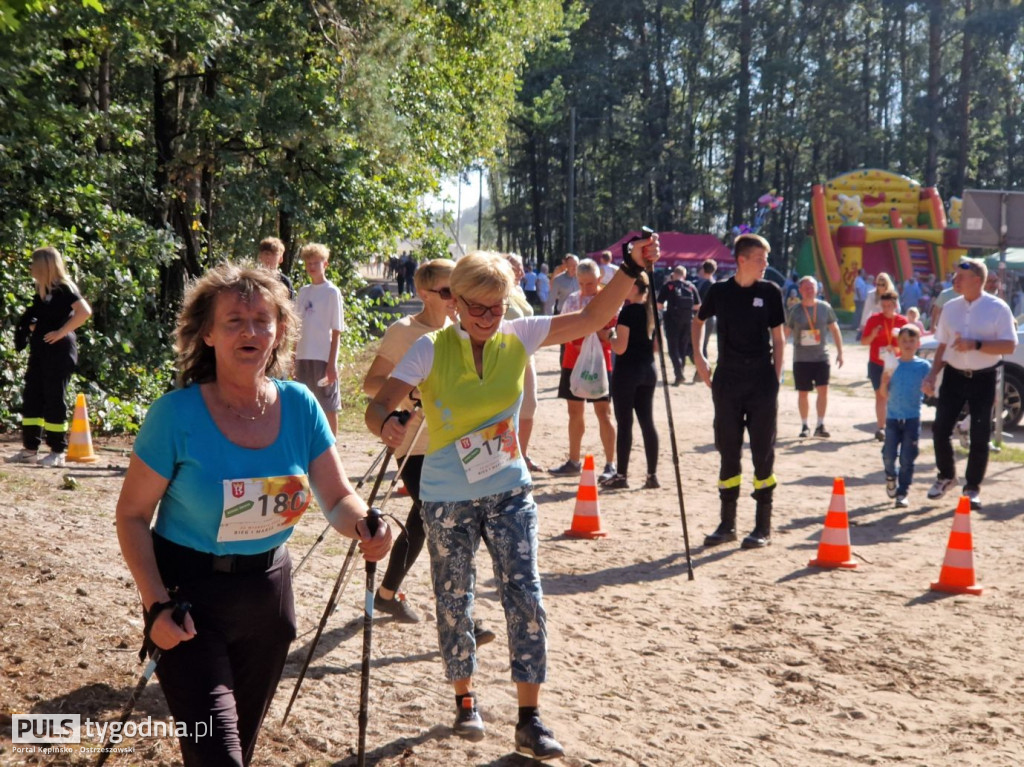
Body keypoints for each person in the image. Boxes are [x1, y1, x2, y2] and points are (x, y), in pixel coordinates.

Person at [365, 240, 659, 759]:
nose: (485, 317)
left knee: (526, 598)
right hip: (445, 495)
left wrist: (632, 267)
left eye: (495, 307)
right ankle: (465, 700)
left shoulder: (518, 336)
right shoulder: (429, 348)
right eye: (475, 307)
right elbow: (378, 404)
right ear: (454, 302)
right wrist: (388, 424)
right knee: (454, 600)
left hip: (507, 489)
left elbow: (593, 315)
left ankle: (530, 718)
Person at [115, 262, 392, 766]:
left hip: (268, 600)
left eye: (261, 320)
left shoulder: (300, 405)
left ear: (280, 331)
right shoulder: (175, 415)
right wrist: (155, 607)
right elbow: (132, 516)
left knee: (235, 747)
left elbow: (337, 495)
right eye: (234, 321)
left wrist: (364, 524)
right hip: (187, 600)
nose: (250, 331)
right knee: (219, 756)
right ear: (208, 334)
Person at [692, 234, 785, 550]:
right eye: (761, 258)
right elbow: (698, 321)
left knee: (762, 453)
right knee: (728, 450)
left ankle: (762, 526)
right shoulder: (719, 291)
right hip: (727, 380)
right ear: (742, 259)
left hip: (761, 380)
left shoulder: (770, 292)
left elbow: (779, 337)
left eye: (766, 259)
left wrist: (775, 377)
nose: (766, 264)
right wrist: (699, 356)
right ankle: (727, 524)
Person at [922, 258, 1017, 510]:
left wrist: (975, 344)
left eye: (960, 275)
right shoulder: (950, 307)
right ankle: (946, 476)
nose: (955, 279)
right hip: (953, 375)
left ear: (977, 280)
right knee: (940, 429)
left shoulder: (998, 308)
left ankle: (972, 487)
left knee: (979, 434)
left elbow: (1009, 345)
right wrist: (932, 375)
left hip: (985, 377)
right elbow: (942, 344)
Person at [5, 247, 92, 468]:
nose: (31, 268)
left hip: (60, 351)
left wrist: (61, 332)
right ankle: (29, 449)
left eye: (34, 263)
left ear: (45, 265)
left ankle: (57, 450)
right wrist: (32, 326)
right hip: (41, 350)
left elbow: (84, 312)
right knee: (33, 395)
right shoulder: (43, 290)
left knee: (54, 397)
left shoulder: (65, 288)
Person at [550, 259, 617, 481]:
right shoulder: (571, 300)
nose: (586, 288)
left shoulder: (608, 300)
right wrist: (589, 330)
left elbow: (611, 335)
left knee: (603, 413)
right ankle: (573, 461)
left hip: (600, 363)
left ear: (599, 279)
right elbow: (564, 329)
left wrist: (591, 331)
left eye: (590, 283)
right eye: (581, 283)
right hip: (572, 361)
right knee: (574, 412)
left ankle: (610, 464)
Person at [602, 272, 659, 489]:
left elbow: (620, 347)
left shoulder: (628, 311)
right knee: (647, 422)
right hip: (648, 369)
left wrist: (609, 336)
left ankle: (622, 475)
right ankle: (652, 475)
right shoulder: (651, 312)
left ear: (635, 287)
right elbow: (656, 347)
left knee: (625, 423)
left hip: (628, 371)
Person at [294, 243, 345, 437]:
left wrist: (331, 364)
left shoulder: (332, 292)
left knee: (328, 405)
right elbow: (297, 326)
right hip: (303, 356)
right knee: (305, 403)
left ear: (326, 264)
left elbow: (336, 331)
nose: (312, 267)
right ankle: (310, 447)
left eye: (316, 262)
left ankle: (332, 448)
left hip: (323, 357)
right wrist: (292, 355)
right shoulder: (303, 292)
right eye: (308, 263)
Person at [784, 276, 844, 438]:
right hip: (801, 359)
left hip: (821, 357)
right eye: (806, 288)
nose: (810, 290)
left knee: (823, 391)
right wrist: (779, 354)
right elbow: (786, 333)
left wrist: (840, 352)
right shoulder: (795, 310)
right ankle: (804, 425)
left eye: (812, 287)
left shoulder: (825, 308)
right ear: (801, 290)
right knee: (803, 393)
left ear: (817, 289)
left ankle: (820, 424)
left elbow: (835, 329)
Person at [880, 326, 931, 508]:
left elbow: (931, 390)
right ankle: (890, 476)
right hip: (893, 417)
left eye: (912, 341)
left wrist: (928, 388)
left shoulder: (923, 366)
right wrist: (884, 382)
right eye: (904, 341)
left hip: (912, 418)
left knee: (908, 457)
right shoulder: (892, 364)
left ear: (918, 343)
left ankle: (902, 492)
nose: (908, 344)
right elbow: (883, 393)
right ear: (898, 343)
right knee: (888, 454)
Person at [504, 254, 544, 472]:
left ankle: (523, 454)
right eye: (515, 267)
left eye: (520, 267)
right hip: (506, 357)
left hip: (527, 356)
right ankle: (507, 458)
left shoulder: (519, 291)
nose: (520, 271)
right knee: (508, 410)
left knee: (530, 405)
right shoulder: (497, 291)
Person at [861, 291, 907, 442]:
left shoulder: (902, 322)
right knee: (880, 396)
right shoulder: (874, 319)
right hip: (877, 363)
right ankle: (881, 428)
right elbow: (864, 342)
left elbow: (911, 345)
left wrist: (898, 348)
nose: (886, 308)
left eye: (889, 306)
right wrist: (873, 334)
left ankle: (895, 427)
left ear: (895, 305)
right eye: (884, 305)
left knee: (895, 396)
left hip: (895, 363)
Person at [657, 265, 700, 386]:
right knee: (682, 348)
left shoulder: (669, 286)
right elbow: (697, 306)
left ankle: (679, 374)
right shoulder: (691, 287)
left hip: (672, 321)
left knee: (673, 349)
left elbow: (659, 304)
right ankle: (680, 373)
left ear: (674, 274)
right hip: (687, 321)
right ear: (684, 275)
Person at [859, 272, 901, 337]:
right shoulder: (871, 295)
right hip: (876, 323)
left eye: (883, 284)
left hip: (890, 322)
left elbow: (898, 309)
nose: (880, 287)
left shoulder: (892, 294)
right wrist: (863, 324)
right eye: (878, 284)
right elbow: (866, 311)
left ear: (887, 284)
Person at [695, 258, 717, 362]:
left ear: (703, 270)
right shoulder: (715, 284)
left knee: (701, 344)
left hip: (704, 317)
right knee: (704, 344)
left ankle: (702, 369)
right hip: (712, 317)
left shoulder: (704, 284)